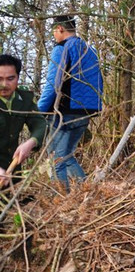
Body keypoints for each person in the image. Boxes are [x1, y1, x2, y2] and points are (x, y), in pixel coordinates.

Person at [37, 15, 103, 190]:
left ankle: (59, 198)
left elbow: (53, 82)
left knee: (56, 157)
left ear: (60, 29)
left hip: (65, 111)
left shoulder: (62, 48)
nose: (54, 36)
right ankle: (88, 190)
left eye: (54, 31)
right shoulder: (89, 49)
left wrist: (39, 110)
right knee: (66, 155)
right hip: (86, 110)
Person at [0, 55, 47, 189]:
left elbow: (40, 124)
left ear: (17, 78)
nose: (4, 85)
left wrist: (31, 142)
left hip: (13, 175)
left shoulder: (24, 99)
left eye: (10, 79)